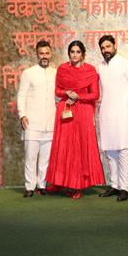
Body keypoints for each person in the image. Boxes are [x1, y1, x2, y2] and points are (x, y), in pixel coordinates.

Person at [46, 40, 105, 199]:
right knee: (63, 146)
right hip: (66, 109)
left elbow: (95, 95)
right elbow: (58, 91)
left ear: (83, 54)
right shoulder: (63, 69)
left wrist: (78, 97)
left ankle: (78, 185)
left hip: (83, 111)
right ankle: (58, 182)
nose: (75, 55)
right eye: (72, 51)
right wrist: (67, 93)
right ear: (69, 53)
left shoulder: (90, 70)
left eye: (78, 52)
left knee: (79, 147)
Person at [98, 35, 128, 202]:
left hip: (123, 115)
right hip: (106, 115)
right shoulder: (100, 67)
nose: (105, 50)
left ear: (115, 46)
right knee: (110, 151)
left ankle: (124, 188)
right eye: (103, 48)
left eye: (108, 46)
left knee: (124, 151)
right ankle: (114, 185)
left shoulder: (126, 64)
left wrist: (125, 103)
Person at [17, 40, 56, 198]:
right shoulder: (29, 73)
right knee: (30, 157)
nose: (44, 56)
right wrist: (22, 114)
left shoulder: (56, 73)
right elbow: (21, 95)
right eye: (41, 53)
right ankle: (29, 186)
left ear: (51, 54)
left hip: (51, 122)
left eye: (47, 53)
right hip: (32, 122)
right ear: (37, 54)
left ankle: (42, 185)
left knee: (46, 158)